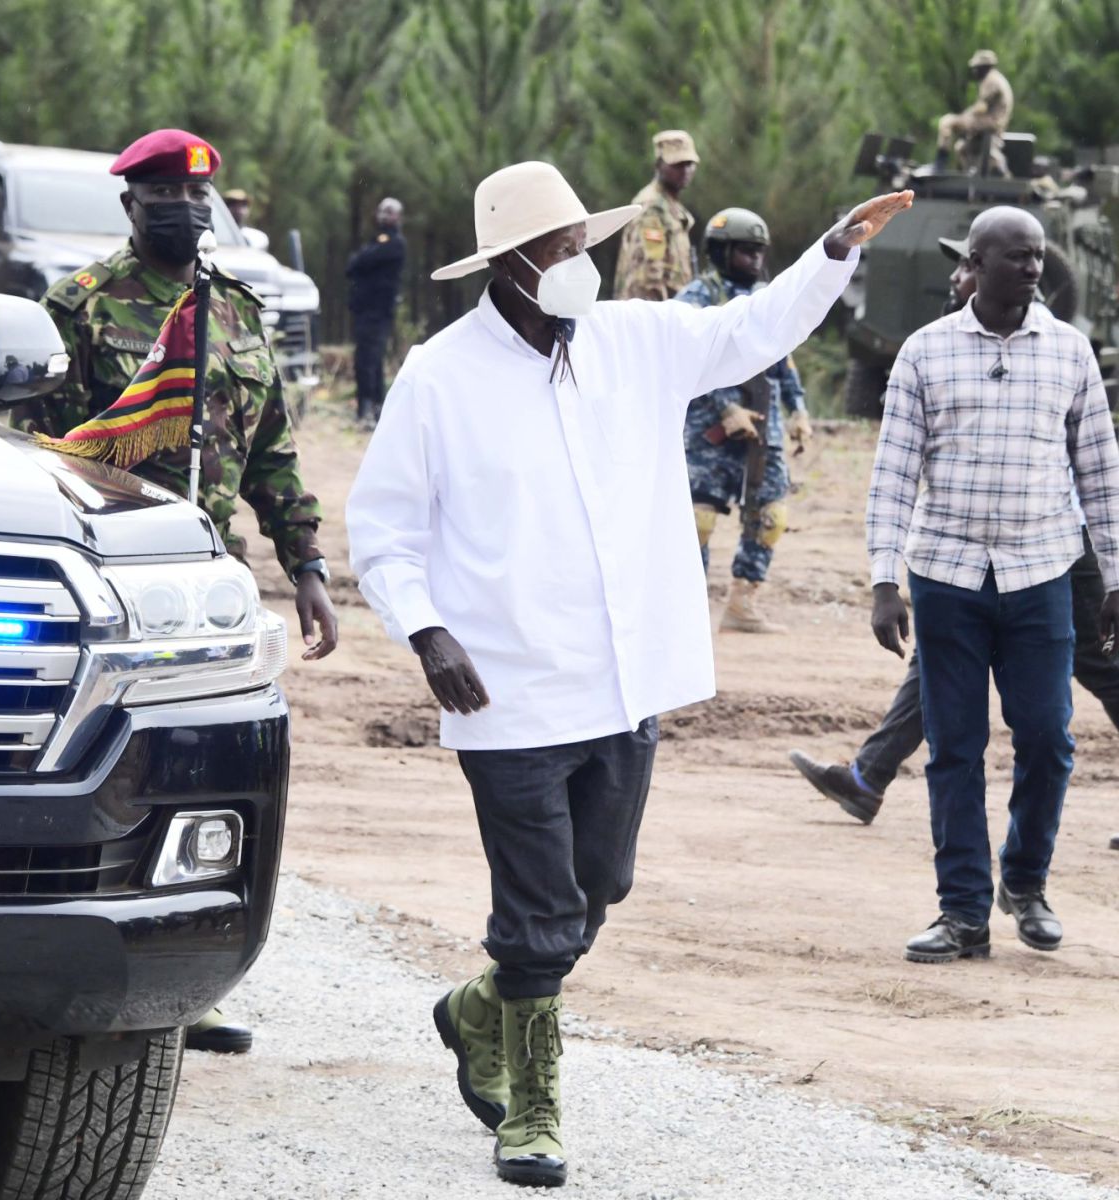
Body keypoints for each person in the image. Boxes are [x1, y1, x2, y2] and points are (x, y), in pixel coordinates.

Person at [346, 158, 909, 1187]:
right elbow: (381, 531)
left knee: (596, 888)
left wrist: (834, 249)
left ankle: (475, 1011)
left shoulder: (633, 344)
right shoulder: (439, 374)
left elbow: (754, 328)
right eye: (557, 252)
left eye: (581, 247)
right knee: (534, 915)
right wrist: (426, 633)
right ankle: (532, 1104)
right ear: (509, 266)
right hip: (507, 688)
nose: (577, 266)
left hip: (622, 681)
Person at [12, 129, 340, 1049]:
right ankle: (75, 957)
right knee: (117, 773)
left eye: (198, 198)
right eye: (163, 196)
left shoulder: (234, 312)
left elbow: (271, 450)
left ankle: (188, 981)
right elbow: (32, 450)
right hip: (113, 588)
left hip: (209, 586)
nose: (184, 210)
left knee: (206, 774)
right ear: (130, 206)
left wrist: (305, 565)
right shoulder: (78, 306)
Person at [792, 236, 1119, 837]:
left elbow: (1099, 468)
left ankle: (868, 777)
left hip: (1054, 550)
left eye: (964, 268)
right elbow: (895, 473)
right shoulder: (939, 351)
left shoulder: (1058, 353)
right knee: (938, 666)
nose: (954, 281)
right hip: (969, 559)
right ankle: (867, 777)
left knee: (1105, 672)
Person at [865, 206, 1119, 965]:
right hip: (945, 576)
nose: (1034, 268)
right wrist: (884, 580)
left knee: (1048, 738)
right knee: (954, 748)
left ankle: (1027, 884)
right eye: (1016, 257)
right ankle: (962, 913)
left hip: (1041, 572)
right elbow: (891, 475)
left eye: (1039, 257)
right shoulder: (924, 354)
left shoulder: (1071, 353)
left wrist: (1113, 573)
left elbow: (1101, 473)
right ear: (974, 263)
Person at [676, 208, 813, 634]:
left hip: (763, 425)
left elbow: (783, 361)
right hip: (708, 430)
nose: (754, 259)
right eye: (744, 251)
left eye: (759, 252)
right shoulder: (697, 297)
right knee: (696, 521)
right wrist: (724, 407)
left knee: (771, 516)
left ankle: (742, 605)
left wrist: (799, 410)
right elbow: (683, 356)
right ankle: (686, 610)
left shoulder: (770, 298)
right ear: (721, 251)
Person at [613, 129, 699, 300]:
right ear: (659, 164)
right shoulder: (652, 207)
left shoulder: (671, 206)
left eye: (689, 164)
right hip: (652, 315)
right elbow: (648, 276)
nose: (685, 170)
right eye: (677, 164)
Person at [346, 196, 406, 427]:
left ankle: (371, 410)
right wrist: (360, 261)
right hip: (364, 311)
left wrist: (361, 261)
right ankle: (369, 408)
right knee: (368, 360)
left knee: (369, 361)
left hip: (378, 313)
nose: (384, 215)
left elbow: (359, 262)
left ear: (398, 217)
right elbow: (352, 266)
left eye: (389, 211)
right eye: (381, 210)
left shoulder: (395, 243)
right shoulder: (376, 240)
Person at [935, 49, 1014, 176]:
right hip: (994, 123)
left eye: (976, 68)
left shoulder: (991, 80)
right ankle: (968, 175)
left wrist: (963, 118)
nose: (974, 71)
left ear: (984, 67)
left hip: (989, 122)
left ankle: (939, 164)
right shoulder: (997, 78)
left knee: (947, 122)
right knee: (961, 148)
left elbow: (981, 108)